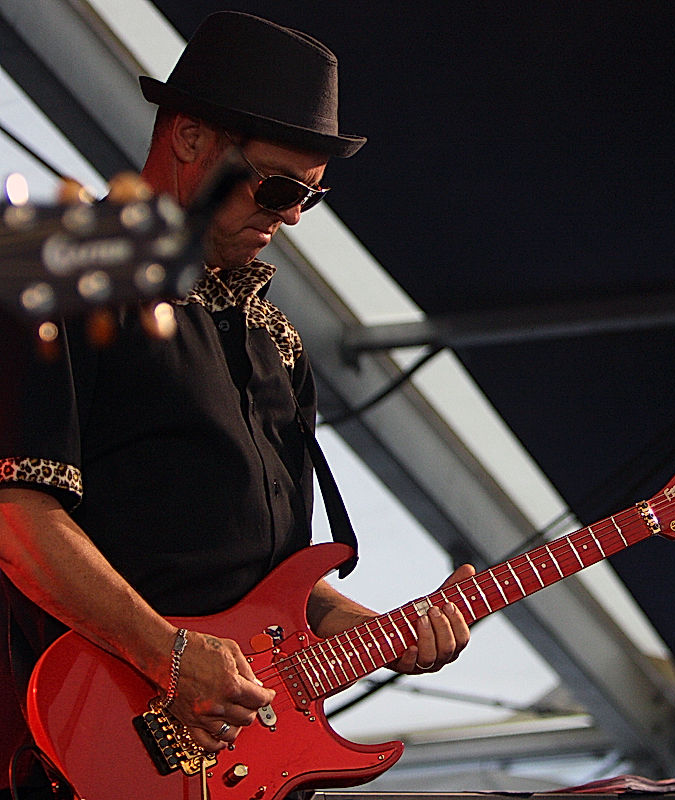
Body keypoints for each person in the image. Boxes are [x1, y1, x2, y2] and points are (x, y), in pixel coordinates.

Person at [0, 11, 472, 796]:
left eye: (308, 199)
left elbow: (273, 578)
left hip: (239, 767)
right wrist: (169, 655)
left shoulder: (278, 343)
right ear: (189, 140)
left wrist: (365, 630)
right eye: (280, 185)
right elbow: (19, 516)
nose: (289, 215)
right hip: (80, 751)